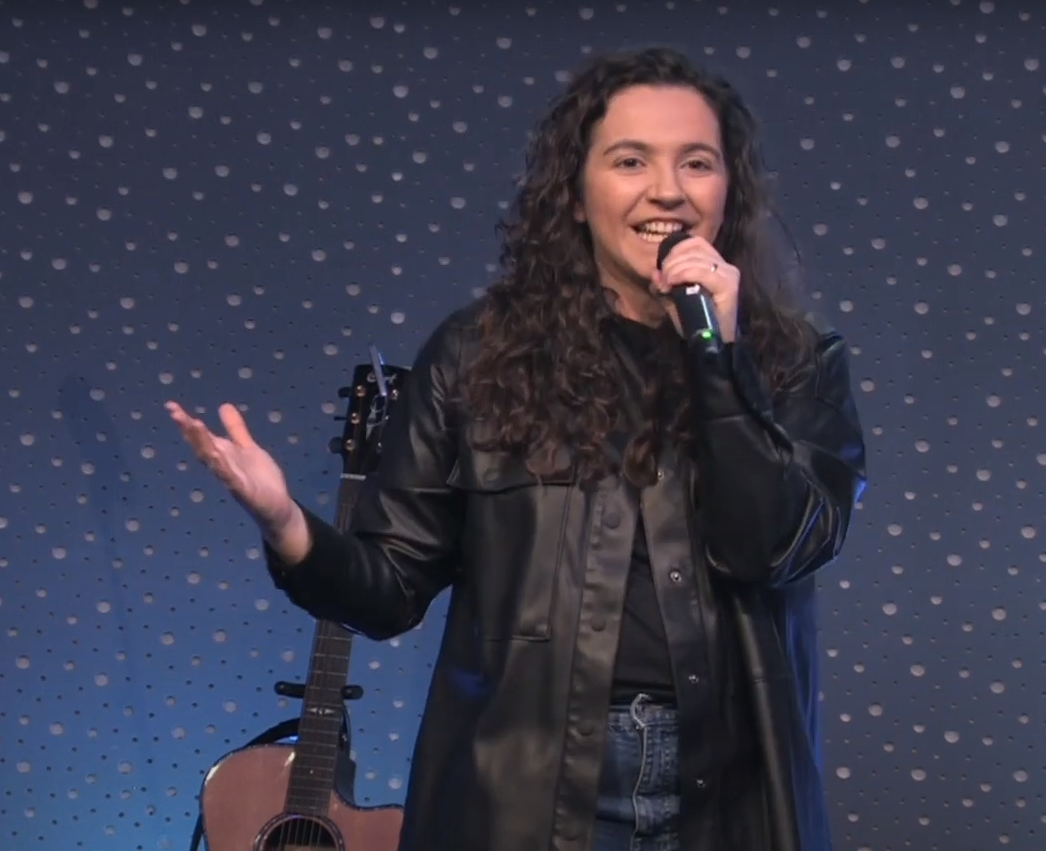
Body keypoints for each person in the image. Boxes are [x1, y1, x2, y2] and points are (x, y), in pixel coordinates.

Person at [167, 44, 867, 851]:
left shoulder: (796, 363)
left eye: (697, 162)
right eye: (630, 160)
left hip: (730, 793)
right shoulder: (478, 356)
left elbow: (774, 543)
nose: (667, 189)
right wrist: (287, 523)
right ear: (576, 193)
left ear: (728, 189)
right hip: (525, 792)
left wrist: (720, 356)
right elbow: (389, 588)